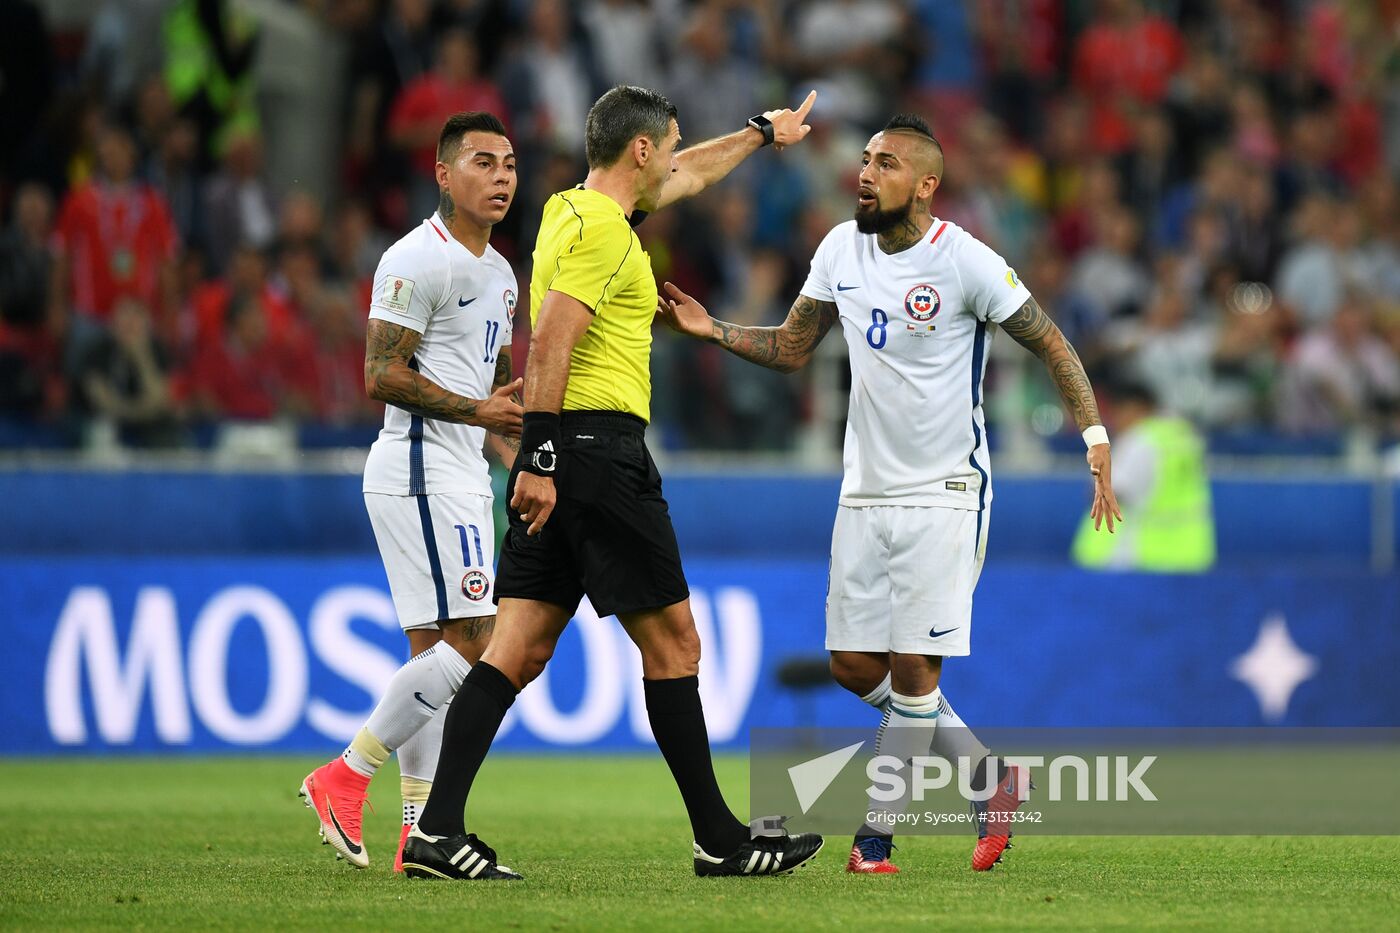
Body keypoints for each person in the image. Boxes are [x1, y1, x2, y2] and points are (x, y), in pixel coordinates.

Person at [657, 113, 1122, 874]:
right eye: (866, 159)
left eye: (886, 163)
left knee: (915, 672)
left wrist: (1095, 439)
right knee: (850, 663)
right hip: (864, 492)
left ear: (926, 185)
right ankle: (988, 777)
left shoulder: (965, 260)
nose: (866, 172)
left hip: (945, 491)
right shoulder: (841, 248)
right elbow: (793, 346)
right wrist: (714, 331)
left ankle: (875, 839)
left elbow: (1050, 341)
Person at [402, 85, 825, 881]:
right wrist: (543, 458)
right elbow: (552, 340)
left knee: (516, 647)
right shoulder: (602, 230)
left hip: (569, 448)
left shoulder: (574, 208)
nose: (672, 158)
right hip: (593, 452)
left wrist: (760, 133)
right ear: (639, 149)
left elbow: (685, 178)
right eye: (666, 144)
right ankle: (720, 838)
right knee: (676, 642)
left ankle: (435, 828)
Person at [299, 112, 524, 872]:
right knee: (477, 639)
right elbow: (378, 374)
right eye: (483, 162)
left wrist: (507, 434)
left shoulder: (501, 274)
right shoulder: (413, 259)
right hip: (419, 469)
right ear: (442, 174)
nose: (501, 177)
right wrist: (477, 412)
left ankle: (417, 831)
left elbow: (485, 385)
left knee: (434, 652)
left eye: (510, 165)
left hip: (461, 467)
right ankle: (344, 774)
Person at [1072, 379, 1214, 572]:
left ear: (1136, 407)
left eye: (1118, 411)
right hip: (1189, 553)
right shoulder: (1185, 436)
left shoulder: (1139, 440)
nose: (1113, 420)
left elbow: (1110, 492)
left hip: (1144, 556)